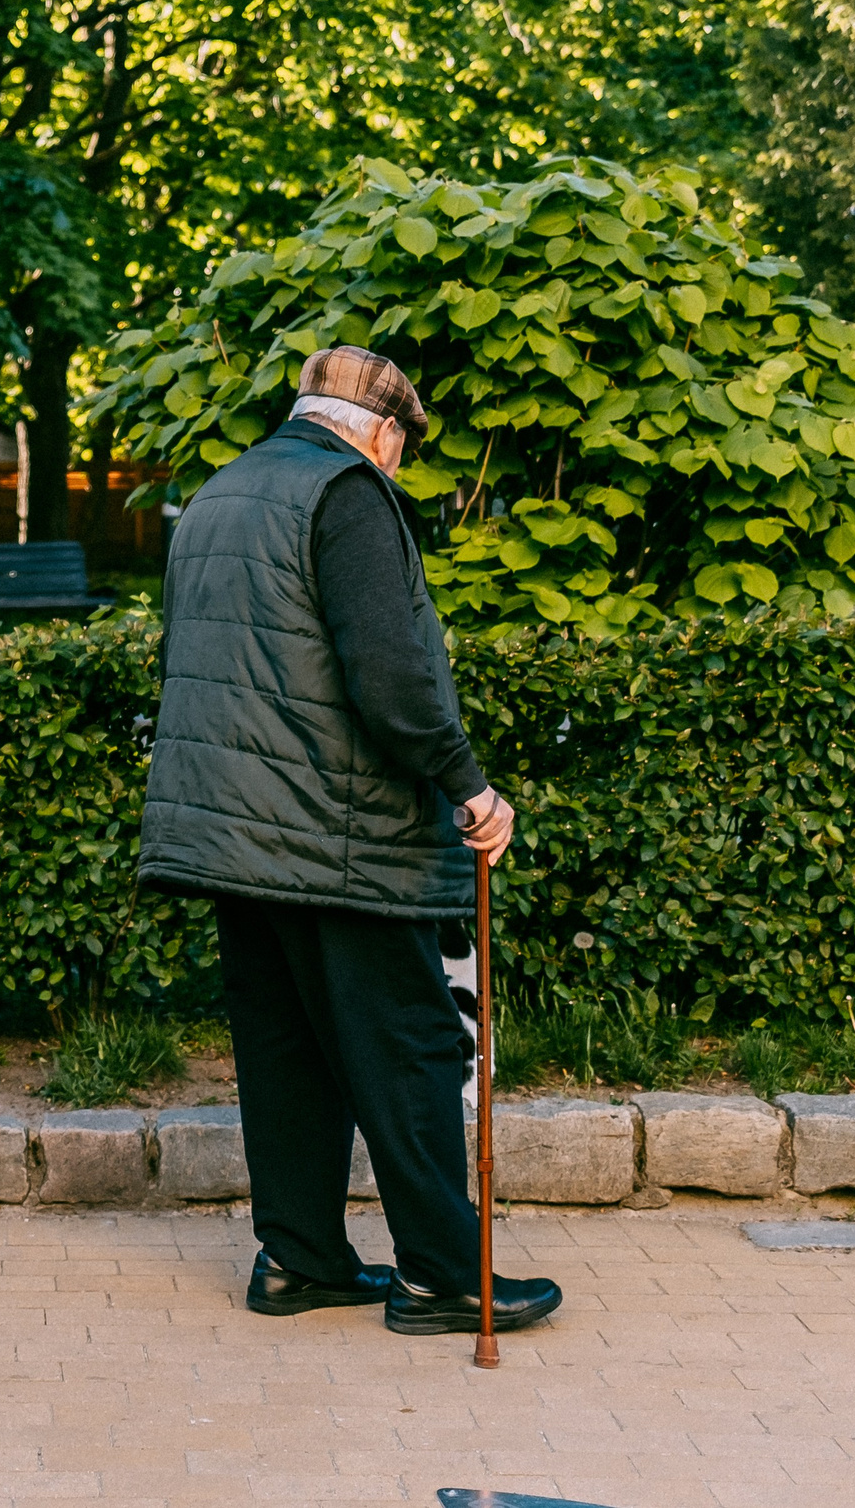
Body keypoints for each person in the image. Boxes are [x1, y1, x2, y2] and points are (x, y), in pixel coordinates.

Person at [136, 344, 562, 1337]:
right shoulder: (348, 492)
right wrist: (468, 785)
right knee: (408, 1046)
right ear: (380, 432)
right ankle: (442, 1275)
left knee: (286, 1051)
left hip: (233, 834)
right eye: (400, 452)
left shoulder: (220, 495)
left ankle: (299, 1258)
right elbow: (393, 674)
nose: (398, 469)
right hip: (338, 834)